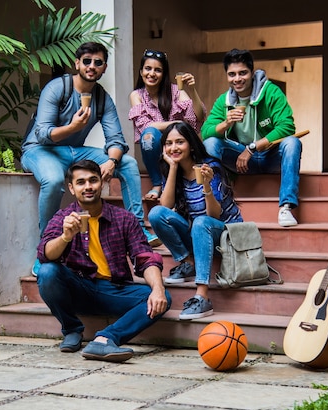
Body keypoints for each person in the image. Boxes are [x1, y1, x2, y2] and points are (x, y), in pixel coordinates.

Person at [22, 42, 160, 277]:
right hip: (40, 150)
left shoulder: (102, 98)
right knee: (54, 179)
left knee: (127, 163)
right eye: (87, 61)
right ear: (77, 64)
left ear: (104, 67)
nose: (92, 66)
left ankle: (138, 226)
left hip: (75, 150)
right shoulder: (57, 88)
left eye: (98, 62)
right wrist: (73, 126)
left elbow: (116, 139)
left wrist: (111, 162)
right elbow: (42, 133)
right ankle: (45, 247)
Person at [36, 160, 171, 362]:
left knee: (163, 297)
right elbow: (45, 255)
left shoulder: (124, 219)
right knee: (47, 272)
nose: (88, 187)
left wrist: (158, 289)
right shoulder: (64, 217)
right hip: (79, 290)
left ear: (102, 183)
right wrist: (65, 237)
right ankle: (72, 329)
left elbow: (144, 258)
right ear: (72, 189)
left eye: (93, 180)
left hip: (115, 290)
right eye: (81, 182)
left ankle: (105, 339)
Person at [147, 122, 242, 320]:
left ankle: (202, 296)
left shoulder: (210, 167)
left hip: (224, 234)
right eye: (169, 143)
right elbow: (165, 207)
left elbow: (214, 215)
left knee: (201, 222)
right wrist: (173, 168)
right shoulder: (172, 170)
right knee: (156, 213)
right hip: (199, 233)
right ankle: (188, 262)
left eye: (180, 142)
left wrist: (206, 185)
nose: (173, 148)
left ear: (191, 144)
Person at [201, 48, 302, 227]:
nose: (237, 79)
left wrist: (252, 148)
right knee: (210, 143)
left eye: (242, 73)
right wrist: (225, 124)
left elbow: (287, 127)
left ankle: (286, 207)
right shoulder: (225, 101)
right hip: (240, 161)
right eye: (232, 74)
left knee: (292, 143)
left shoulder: (271, 92)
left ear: (252, 72)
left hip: (269, 155)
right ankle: (216, 201)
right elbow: (206, 132)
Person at [128, 49, 206, 201]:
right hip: (155, 148)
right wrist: (175, 123)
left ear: (164, 74)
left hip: (179, 146)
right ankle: (158, 183)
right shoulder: (136, 95)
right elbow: (145, 126)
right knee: (149, 136)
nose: (152, 73)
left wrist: (192, 89)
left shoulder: (176, 91)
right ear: (141, 71)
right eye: (148, 68)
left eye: (158, 70)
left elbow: (197, 117)